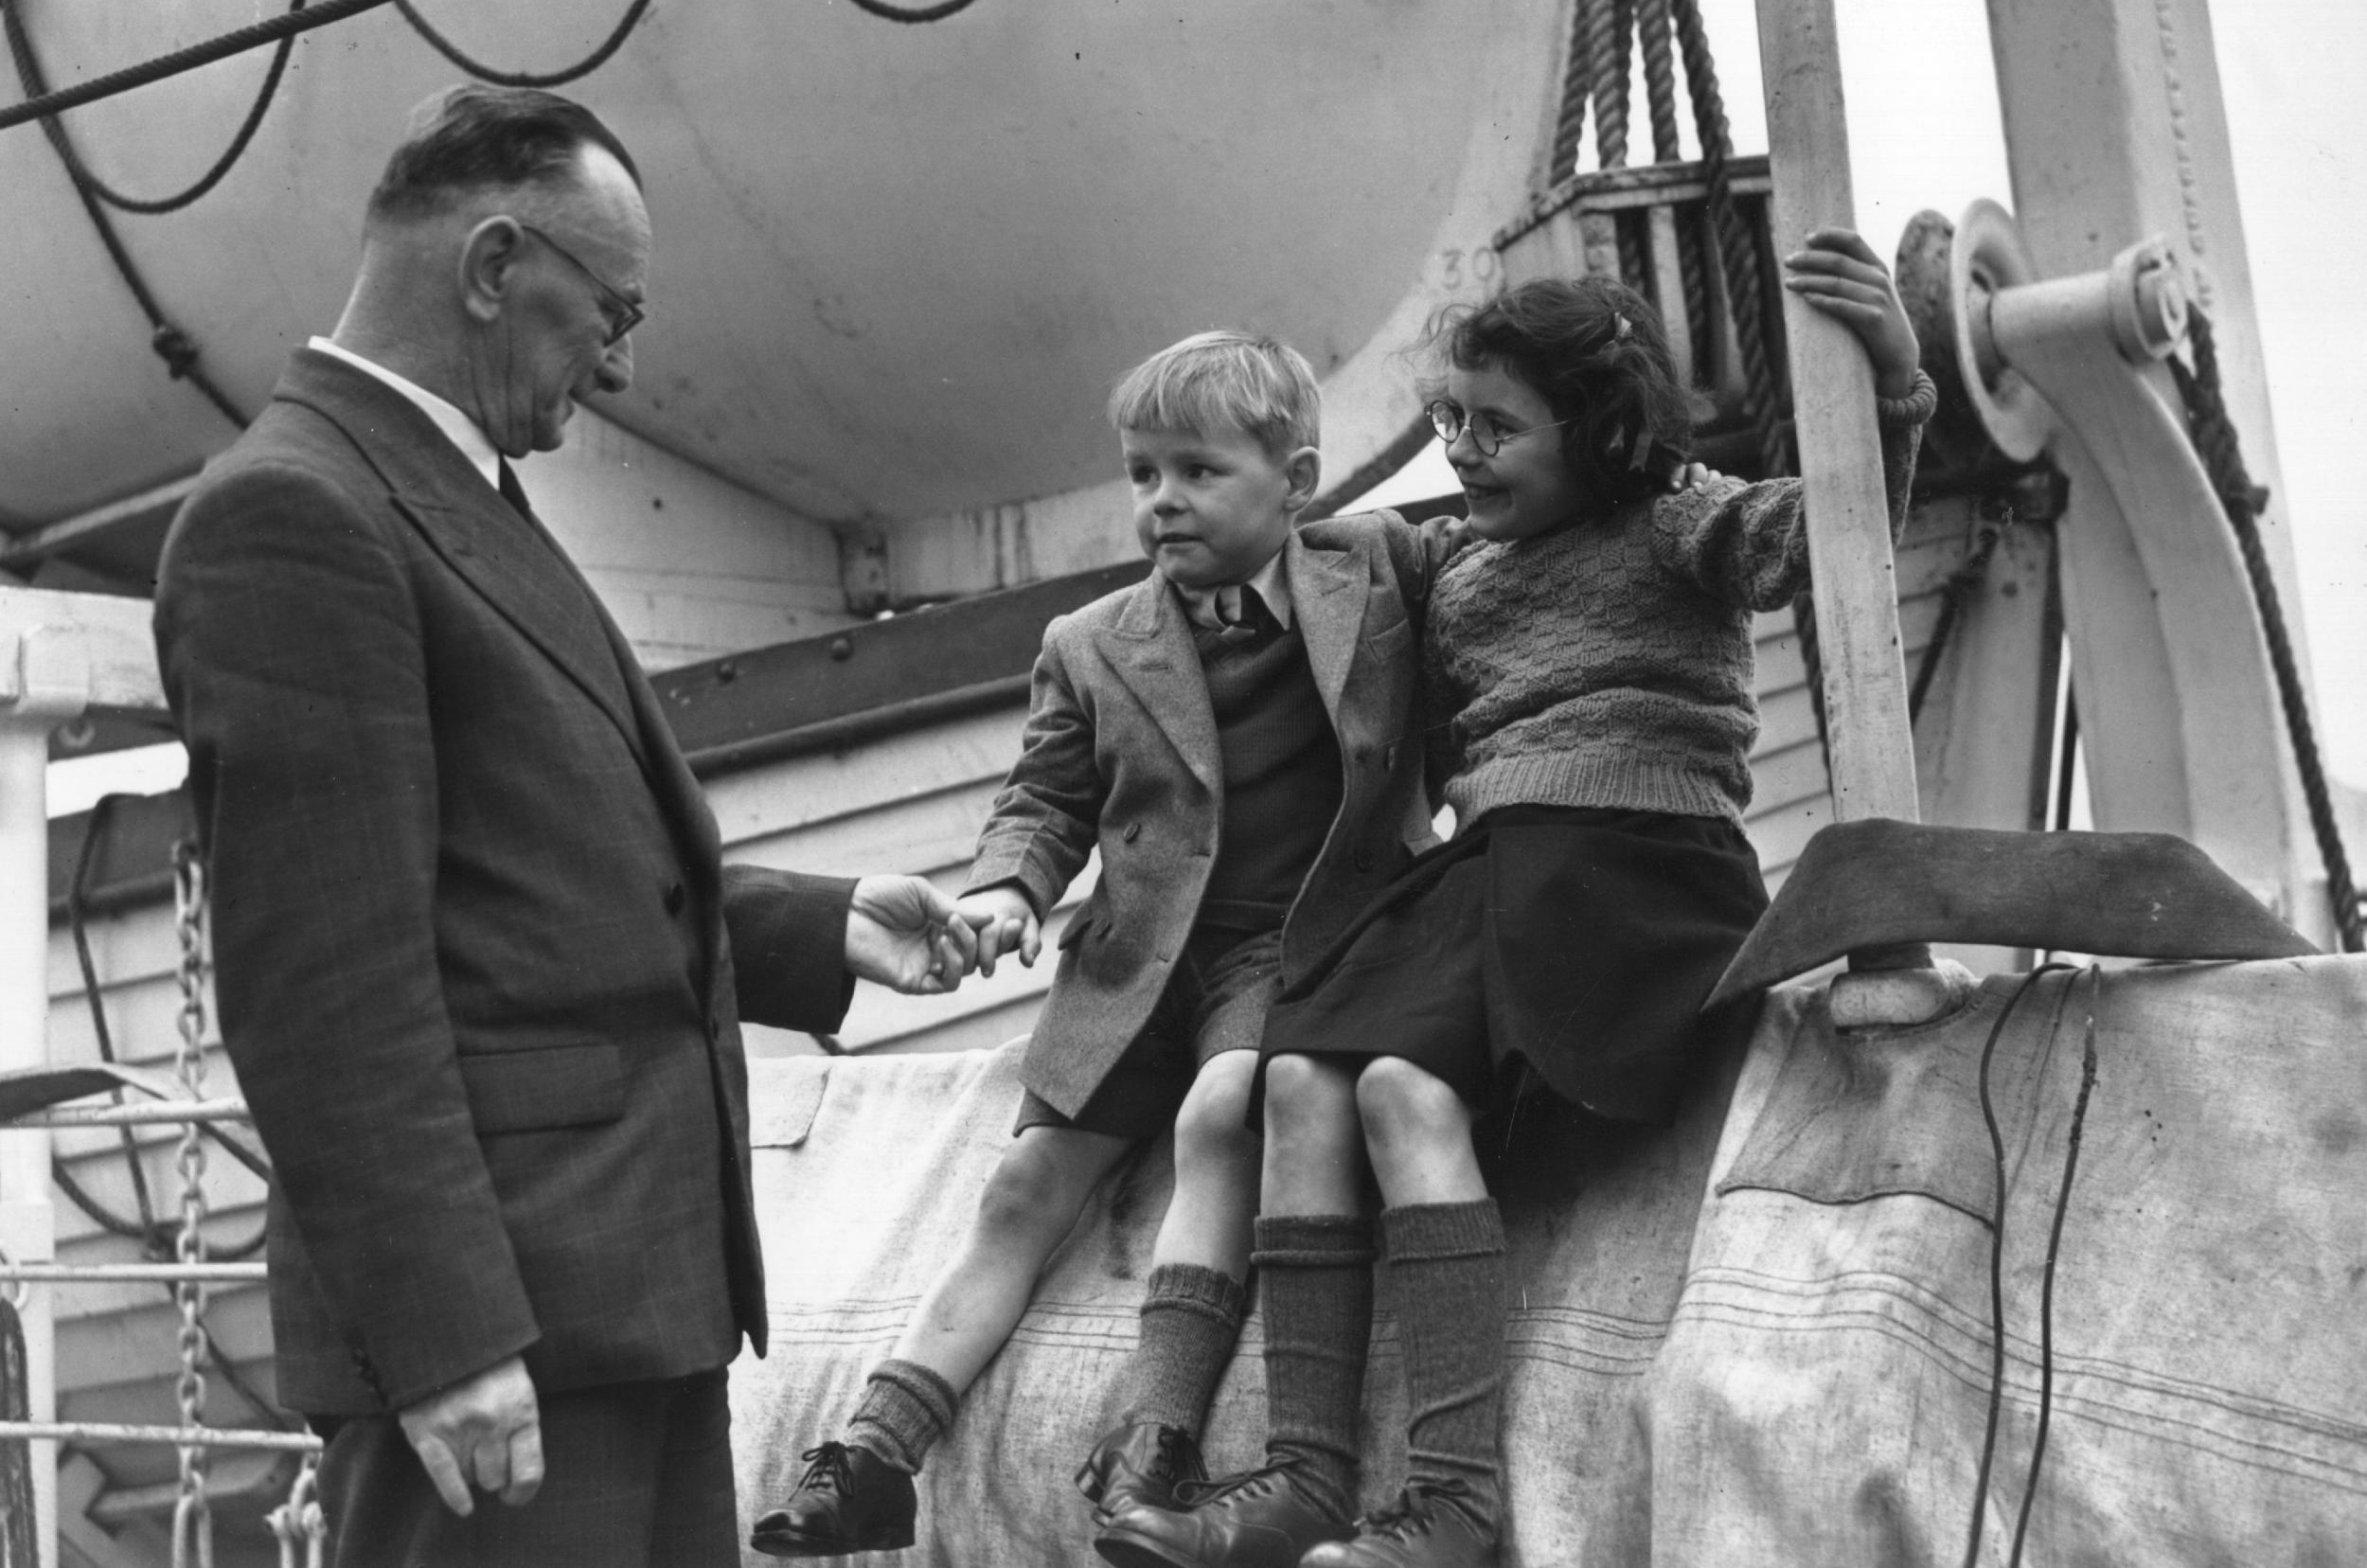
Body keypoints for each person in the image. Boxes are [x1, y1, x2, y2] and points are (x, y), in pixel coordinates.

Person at [151, 84, 976, 1568]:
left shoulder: (445, 491)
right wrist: (446, 1339)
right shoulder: (296, 513)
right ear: (491, 269)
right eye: (612, 308)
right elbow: (326, 983)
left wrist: (814, 926)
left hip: (624, 1302)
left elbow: (546, 880)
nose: (624, 359)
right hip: (505, 1339)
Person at [1098, 232, 1934, 1568]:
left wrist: (1893, 382)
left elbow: (1826, 539)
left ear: (1597, 432)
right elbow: (1306, 620)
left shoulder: (1675, 518)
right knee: (1314, 1083)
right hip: (1493, 870)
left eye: (1498, 428)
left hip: (1638, 876)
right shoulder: (1452, 571)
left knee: (1389, 1089)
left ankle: (1449, 1505)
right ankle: (1307, 1480)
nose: (1463, 454)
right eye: (1449, 423)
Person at [750, 332, 1462, 1557]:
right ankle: (872, 1453)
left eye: (1197, 470)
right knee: (1022, 1190)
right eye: (1141, 473)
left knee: (1220, 1116)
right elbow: (1044, 801)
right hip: (1135, 964)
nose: (1161, 501)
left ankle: (1165, 1435)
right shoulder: (1091, 642)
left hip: (1296, 953)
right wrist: (1010, 893)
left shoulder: (1384, 569)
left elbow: (1523, 573)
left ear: (1297, 478)